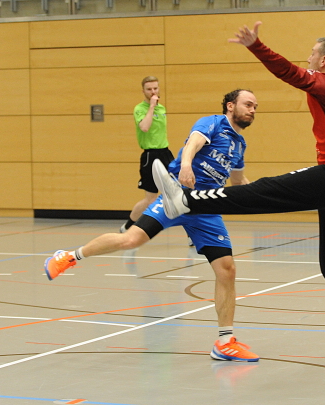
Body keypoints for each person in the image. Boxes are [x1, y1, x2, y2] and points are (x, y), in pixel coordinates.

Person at [152, 22, 325, 380]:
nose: (308, 58)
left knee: (264, 191)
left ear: (324, 61)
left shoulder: (324, 83)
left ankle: (187, 201)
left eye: (312, 54)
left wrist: (256, 45)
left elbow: (289, 72)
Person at [44, 89, 261, 362]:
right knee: (131, 240)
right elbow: (194, 143)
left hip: (206, 208)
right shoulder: (213, 123)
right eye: (248, 104)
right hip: (176, 195)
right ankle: (69, 256)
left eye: (255, 106)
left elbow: (239, 182)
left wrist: (265, 196)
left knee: (227, 270)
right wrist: (186, 165)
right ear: (230, 106)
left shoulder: (239, 145)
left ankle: (225, 342)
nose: (253, 110)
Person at [118, 75, 175, 235]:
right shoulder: (140, 109)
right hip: (151, 155)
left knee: (180, 192)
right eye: (149, 89)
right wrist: (151, 107)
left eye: (155, 88)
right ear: (143, 91)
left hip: (166, 153)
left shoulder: (162, 108)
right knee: (151, 198)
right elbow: (144, 127)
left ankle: (193, 232)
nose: (153, 92)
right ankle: (127, 227)